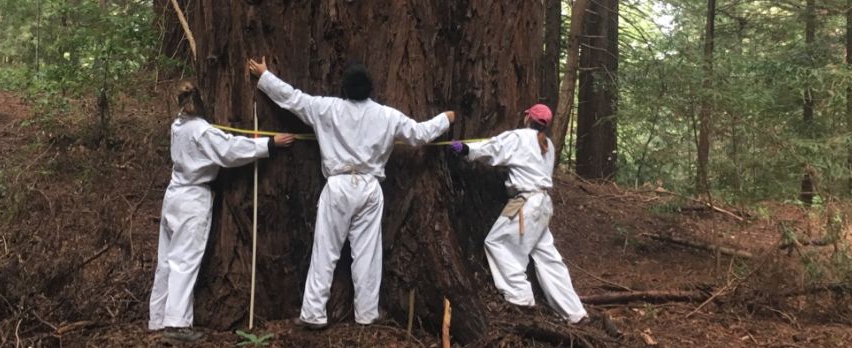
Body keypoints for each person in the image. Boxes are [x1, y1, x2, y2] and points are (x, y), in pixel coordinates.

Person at [247, 57, 455, 329]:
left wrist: (265, 77)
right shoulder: (386, 115)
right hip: (369, 188)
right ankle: (366, 313)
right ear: (371, 89)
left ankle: (313, 313)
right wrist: (446, 119)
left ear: (343, 89)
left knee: (325, 250)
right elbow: (418, 134)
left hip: (339, 187)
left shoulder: (327, 109)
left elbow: (293, 99)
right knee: (367, 254)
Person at [149, 81, 296, 342]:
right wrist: (269, 144)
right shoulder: (203, 131)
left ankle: (158, 319)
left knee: (168, 259)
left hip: (174, 195)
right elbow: (229, 151)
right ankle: (176, 325)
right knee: (185, 259)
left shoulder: (178, 125)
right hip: (192, 197)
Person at [449, 104, 592, 325]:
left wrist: (465, 149)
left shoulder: (519, 137)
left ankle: (520, 299)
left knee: (497, 243)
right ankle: (574, 312)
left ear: (528, 118)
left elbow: (493, 148)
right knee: (547, 257)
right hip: (542, 204)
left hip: (524, 203)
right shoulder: (548, 144)